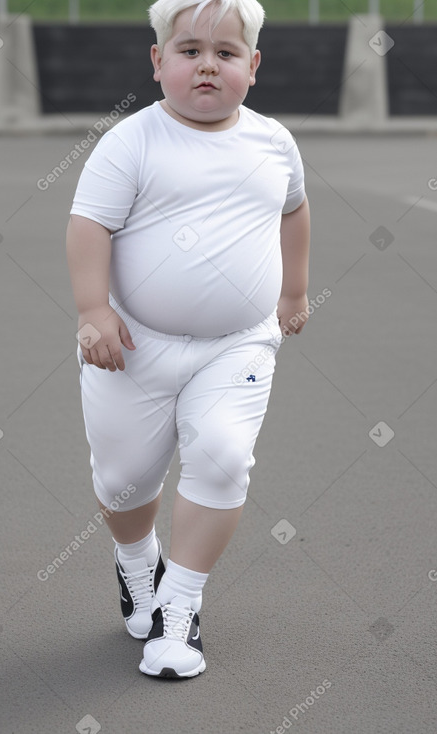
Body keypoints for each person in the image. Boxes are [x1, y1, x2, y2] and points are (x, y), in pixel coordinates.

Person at [66, 0, 310, 679]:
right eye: (189, 50)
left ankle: (180, 606)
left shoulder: (272, 142)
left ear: (252, 67)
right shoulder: (131, 141)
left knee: (225, 455)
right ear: (157, 61)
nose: (207, 64)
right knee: (122, 481)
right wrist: (93, 309)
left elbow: (293, 209)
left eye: (226, 54)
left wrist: (293, 292)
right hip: (131, 344)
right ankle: (138, 559)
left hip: (238, 343)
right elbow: (89, 226)